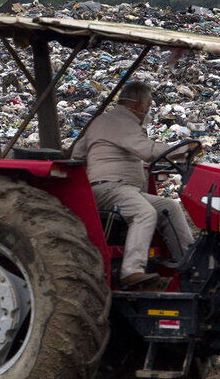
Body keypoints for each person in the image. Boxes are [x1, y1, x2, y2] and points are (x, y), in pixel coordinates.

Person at [71, 80, 198, 289]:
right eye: (147, 107)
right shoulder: (119, 121)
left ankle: (191, 266)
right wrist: (182, 150)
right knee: (145, 212)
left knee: (169, 207)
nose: (147, 112)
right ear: (138, 105)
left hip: (122, 189)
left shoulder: (100, 121)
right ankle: (131, 271)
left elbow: (78, 154)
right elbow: (148, 151)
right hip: (110, 188)